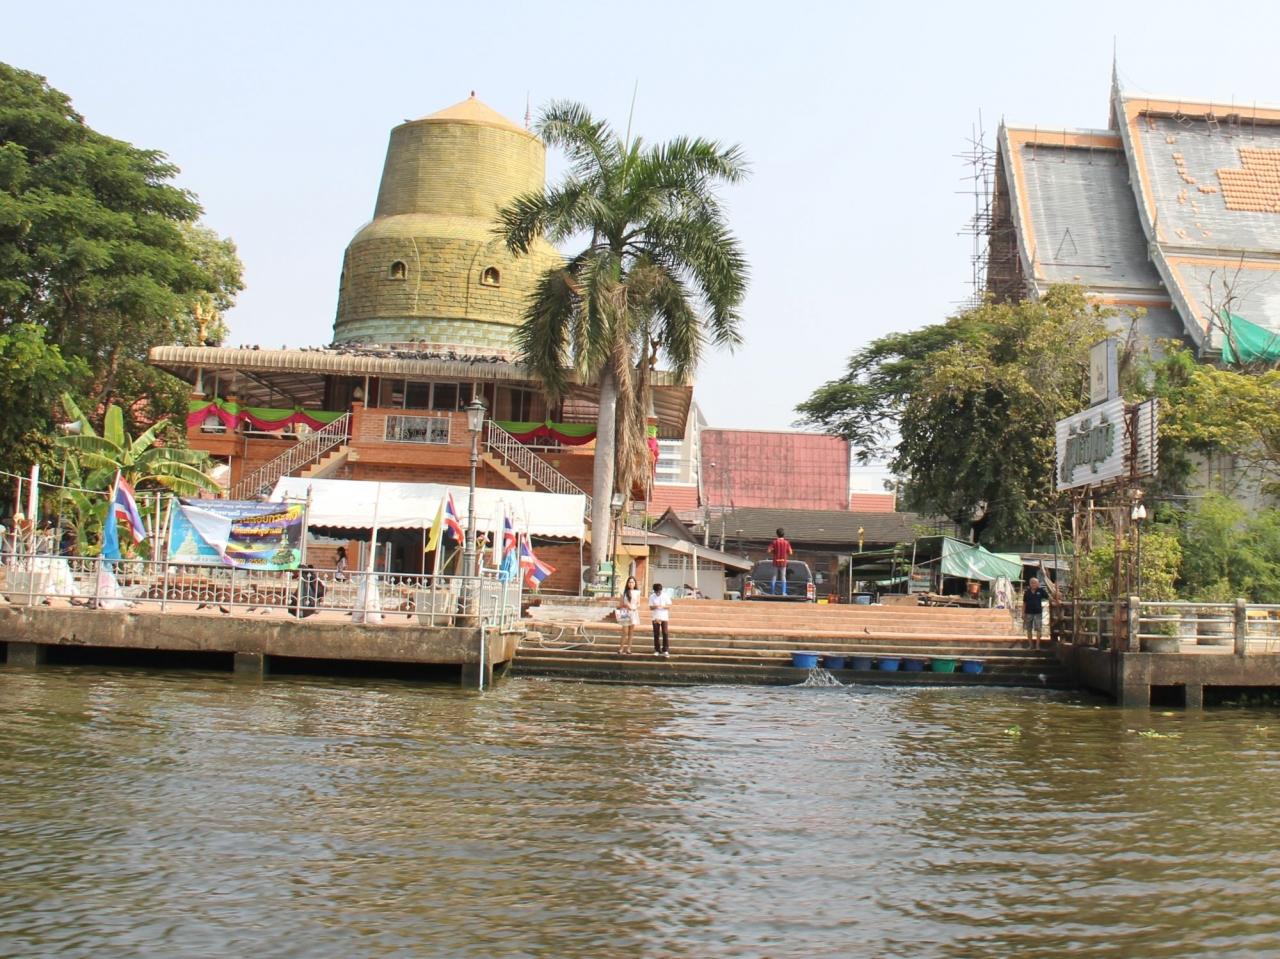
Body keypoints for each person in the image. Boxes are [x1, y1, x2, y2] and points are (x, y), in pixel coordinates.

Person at [1022, 576, 1056, 649]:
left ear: (1038, 584)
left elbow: (1049, 598)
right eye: (1032, 583)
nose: (1034, 584)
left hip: (1038, 613)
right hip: (1028, 613)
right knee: (1029, 629)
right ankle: (1031, 645)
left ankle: (1037, 645)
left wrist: (1055, 599)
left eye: (1035, 583)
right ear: (1030, 584)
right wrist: (1023, 613)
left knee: (1038, 629)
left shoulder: (1041, 591)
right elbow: (1024, 603)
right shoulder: (1027, 592)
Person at [617, 575, 640, 655]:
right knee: (625, 632)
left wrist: (634, 607)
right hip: (624, 612)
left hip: (633, 612)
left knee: (631, 632)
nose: (631, 584)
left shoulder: (637, 592)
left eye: (632, 582)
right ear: (627, 583)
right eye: (629, 582)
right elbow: (620, 605)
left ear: (635, 583)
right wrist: (626, 605)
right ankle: (621, 648)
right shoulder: (623, 592)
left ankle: (628, 649)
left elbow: (638, 603)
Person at [648, 582, 672, 657]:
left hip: (664, 617)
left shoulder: (665, 595)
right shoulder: (652, 596)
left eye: (659, 592)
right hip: (656, 617)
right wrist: (655, 606)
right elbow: (650, 607)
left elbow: (669, 606)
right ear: (654, 591)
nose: (658, 593)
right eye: (656, 592)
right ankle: (657, 650)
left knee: (665, 632)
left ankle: (665, 650)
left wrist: (663, 606)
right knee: (656, 633)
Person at [768, 528, 793, 595]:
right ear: (783, 534)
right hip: (783, 562)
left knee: (774, 576)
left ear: (777, 534)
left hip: (776, 561)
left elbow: (769, 550)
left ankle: (772, 592)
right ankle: (783, 592)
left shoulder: (774, 542)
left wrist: (774, 551)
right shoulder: (786, 542)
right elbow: (790, 552)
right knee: (783, 577)